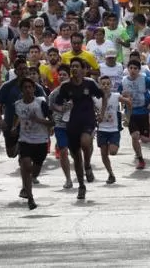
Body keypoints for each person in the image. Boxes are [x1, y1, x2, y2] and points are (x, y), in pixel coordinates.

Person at [52, 57, 104, 200]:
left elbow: (103, 95)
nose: (74, 69)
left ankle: (88, 164)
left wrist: (103, 113)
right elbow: (55, 104)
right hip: (72, 125)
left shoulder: (90, 83)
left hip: (88, 121)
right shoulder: (65, 86)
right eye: (72, 66)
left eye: (77, 66)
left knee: (86, 143)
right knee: (76, 159)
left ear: (83, 69)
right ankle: (81, 186)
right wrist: (62, 108)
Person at [13, 78, 53, 209]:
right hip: (25, 140)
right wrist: (14, 128)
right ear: (22, 90)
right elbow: (17, 117)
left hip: (41, 141)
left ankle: (26, 187)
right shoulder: (18, 104)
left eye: (30, 87)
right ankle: (30, 198)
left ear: (34, 89)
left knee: (34, 171)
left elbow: (52, 122)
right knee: (25, 165)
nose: (28, 90)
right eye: (25, 87)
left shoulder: (41, 103)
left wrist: (38, 120)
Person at [120, 59, 150, 170]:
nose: (132, 70)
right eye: (130, 68)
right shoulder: (124, 81)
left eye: (135, 68)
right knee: (135, 136)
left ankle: (147, 138)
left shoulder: (145, 79)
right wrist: (124, 98)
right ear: (127, 69)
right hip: (131, 113)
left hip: (143, 111)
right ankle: (140, 159)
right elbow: (119, 95)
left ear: (139, 70)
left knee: (144, 139)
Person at [95, 76, 125, 185]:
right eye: (103, 84)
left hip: (113, 130)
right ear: (99, 85)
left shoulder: (116, 96)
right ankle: (110, 174)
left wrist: (128, 117)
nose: (105, 86)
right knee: (104, 154)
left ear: (111, 85)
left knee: (112, 152)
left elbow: (128, 102)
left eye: (108, 84)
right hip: (102, 129)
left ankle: (111, 145)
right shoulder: (95, 98)